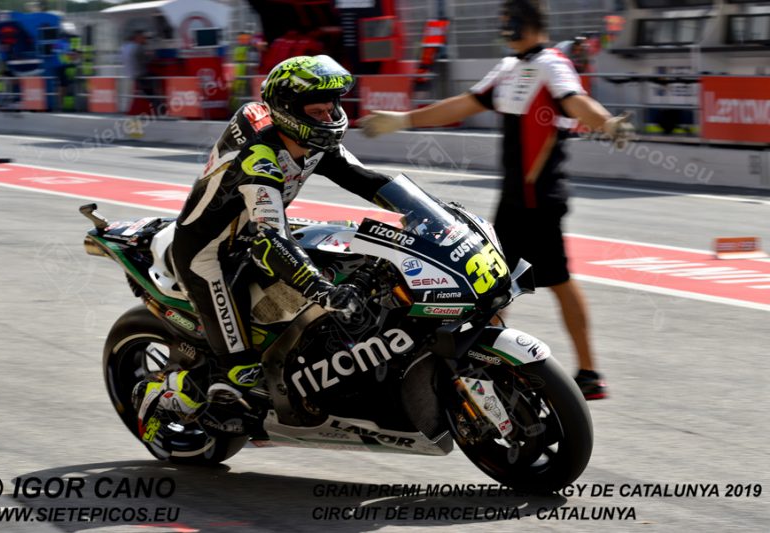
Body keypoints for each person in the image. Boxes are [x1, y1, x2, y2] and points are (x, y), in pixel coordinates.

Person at [359, 0, 635, 400]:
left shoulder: (552, 63)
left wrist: (605, 122)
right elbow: (463, 104)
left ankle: (588, 373)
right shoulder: (509, 68)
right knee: (492, 282)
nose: (505, 28)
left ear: (528, 21)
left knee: (551, 280)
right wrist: (405, 120)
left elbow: (575, 101)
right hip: (513, 201)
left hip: (540, 199)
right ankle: (491, 362)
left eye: (510, 22)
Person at [135, 55, 392, 435]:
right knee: (239, 370)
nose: (329, 116)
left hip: (252, 237)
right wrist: (324, 292)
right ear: (289, 111)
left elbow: (367, 180)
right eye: (318, 109)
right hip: (210, 255)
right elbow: (271, 239)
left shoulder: (312, 139)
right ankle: (166, 398)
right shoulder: (259, 155)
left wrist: (429, 211)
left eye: (332, 106)